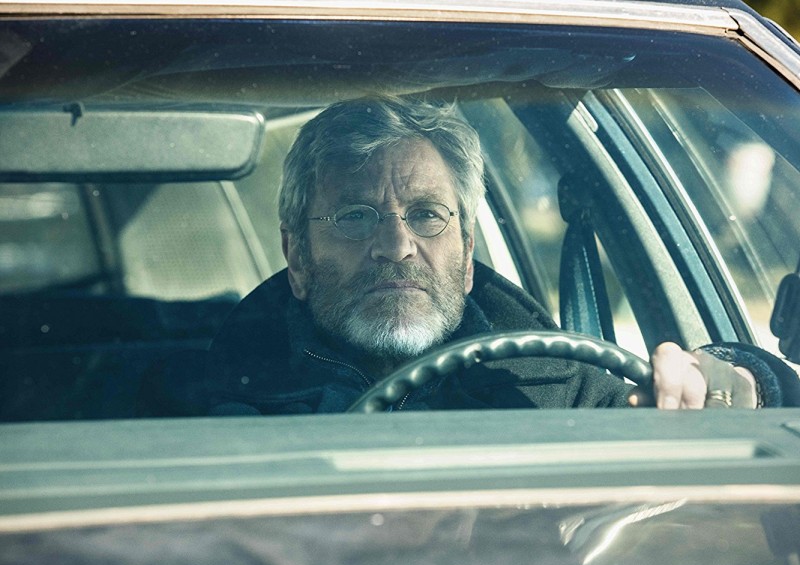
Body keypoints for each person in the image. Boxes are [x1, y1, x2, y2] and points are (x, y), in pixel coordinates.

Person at [205, 96, 798, 415]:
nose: (396, 246)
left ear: (467, 253)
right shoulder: (206, 411)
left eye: (426, 215)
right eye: (355, 217)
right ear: (298, 256)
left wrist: (741, 380)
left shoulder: (553, 386)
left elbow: (757, 404)